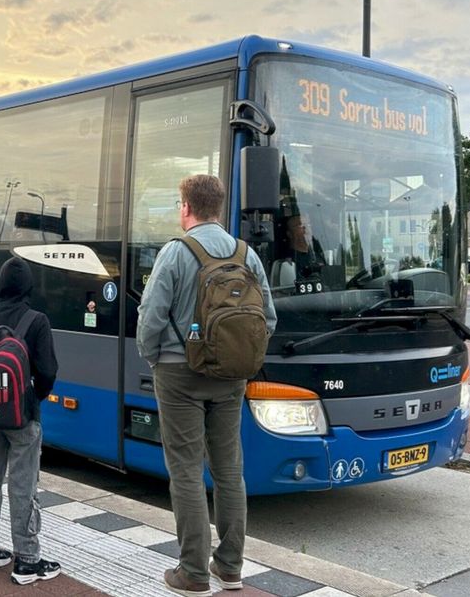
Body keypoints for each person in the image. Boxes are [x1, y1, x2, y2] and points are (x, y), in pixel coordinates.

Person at [136, 174, 276, 595]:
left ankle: (192, 573)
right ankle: (230, 567)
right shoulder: (245, 254)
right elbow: (267, 318)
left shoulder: (175, 253)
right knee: (229, 470)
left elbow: (151, 316)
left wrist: (153, 356)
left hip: (179, 374)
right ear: (218, 206)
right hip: (231, 376)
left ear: (186, 207)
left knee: (185, 471)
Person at [0, 256, 61, 585]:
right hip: (23, 419)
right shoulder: (37, 321)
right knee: (23, 488)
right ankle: (27, 560)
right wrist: (31, 398)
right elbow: (48, 371)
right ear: (28, 287)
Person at [271, 213, 327, 289]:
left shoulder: (318, 257)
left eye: (308, 225)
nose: (306, 228)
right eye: (300, 225)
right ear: (289, 234)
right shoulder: (287, 262)